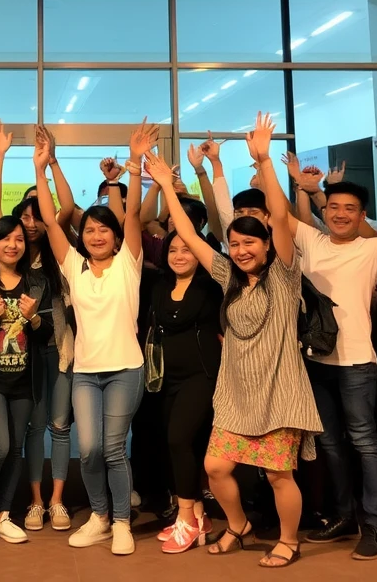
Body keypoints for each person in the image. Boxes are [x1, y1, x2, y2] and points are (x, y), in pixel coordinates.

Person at [146, 114, 322, 569]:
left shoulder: (284, 278)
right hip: (236, 391)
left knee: (278, 474)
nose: (242, 249)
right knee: (216, 467)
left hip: (280, 391)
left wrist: (264, 161)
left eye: (251, 243)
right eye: (236, 243)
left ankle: (287, 540)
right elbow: (186, 235)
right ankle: (239, 525)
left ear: (267, 246)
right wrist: (167, 185)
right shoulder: (227, 278)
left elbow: (280, 217)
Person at [33, 119, 156, 556]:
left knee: (111, 448)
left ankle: (120, 521)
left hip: (125, 368)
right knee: (86, 451)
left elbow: (136, 215)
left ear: (117, 236)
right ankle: (99, 516)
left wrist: (135, 164)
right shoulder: (73, 267)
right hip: (85, 372)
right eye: (90, 229)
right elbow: (50, 220)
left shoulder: (129, 263)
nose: (97, 234)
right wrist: (41, 167)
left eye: (105, 228)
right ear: (81, 238)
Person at [287, 170, 377, 559]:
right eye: (335, 207)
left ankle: (374, 524)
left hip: (358, 362)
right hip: (316, 360)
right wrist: (263, 163)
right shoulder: (312, 239)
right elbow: (278, 214)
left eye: (349, 209)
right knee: (330, 443)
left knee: (364, 441)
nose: (340, 214)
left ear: (362, 217)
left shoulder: (371, 249)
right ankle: (343, 514)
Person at [0, 122, 76, 534]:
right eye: (24, 218)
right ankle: (36, 502)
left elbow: (69, 208)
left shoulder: (58, 252)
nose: (30, 224)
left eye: (37, 215)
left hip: (55, 345)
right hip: (20, 351)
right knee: (35, 426)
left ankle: (58, 500)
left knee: (59, 423)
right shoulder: (12, 260)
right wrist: (0, 156)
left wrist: (50, 161)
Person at [0, 213, 51, 549]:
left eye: (19, 239)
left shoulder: (37, 283)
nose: (13, 245)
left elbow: (47, 335)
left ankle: (1, 514)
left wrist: (32, 319)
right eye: (6, 238)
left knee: (15, 450)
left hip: (24, 381)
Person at [151, 215, 224, 554]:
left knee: (179, 438)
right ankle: (198, 515)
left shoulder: (211, 285)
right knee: (184, 446)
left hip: (203, 374)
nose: (179, 256)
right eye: (173, 250)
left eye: (187, 250)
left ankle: (186, 520)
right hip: (168, 377)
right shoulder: (159, 285)